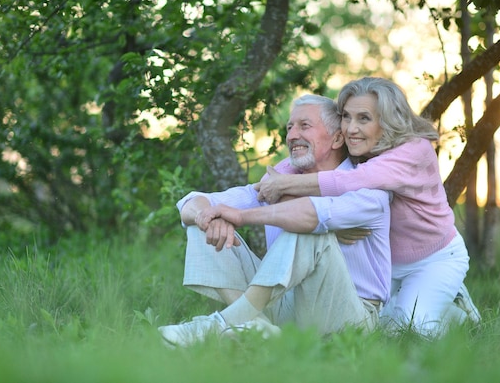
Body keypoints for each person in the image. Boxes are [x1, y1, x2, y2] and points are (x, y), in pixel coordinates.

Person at [158, 94, 392, 347]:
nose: (291, 136)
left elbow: (311, 214)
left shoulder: (367, 186)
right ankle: (258, 326)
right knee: (203, 224)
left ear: (337, 138)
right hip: (287, 306)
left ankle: (223, 323)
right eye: (289, 127)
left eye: (304, 125)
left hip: (350, 316)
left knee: (307, 228)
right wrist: (208, 216)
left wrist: (242, 216)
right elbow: (191, 202)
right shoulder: (277, 182)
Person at [256, 77, 481, 338]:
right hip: (386, 265)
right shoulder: (359, 147)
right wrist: (275, 183)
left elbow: (350, 180)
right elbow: (292, 166)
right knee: (369, 328)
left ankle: (456, 310)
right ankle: (413, 300)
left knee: (411, 333)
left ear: (387, 121)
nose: (351, 128)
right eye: (346, 117)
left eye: (363, 118)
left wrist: (283, 185)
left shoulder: (414, 150)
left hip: (432, 259)